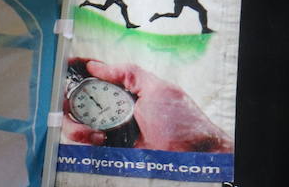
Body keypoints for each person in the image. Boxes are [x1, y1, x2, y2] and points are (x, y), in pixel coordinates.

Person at [62, 57, 232, 153]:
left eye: (106, 90)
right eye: (81, 107)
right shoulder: (70, 101)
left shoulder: (97, 75)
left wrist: (207, 144)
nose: (100, 105)